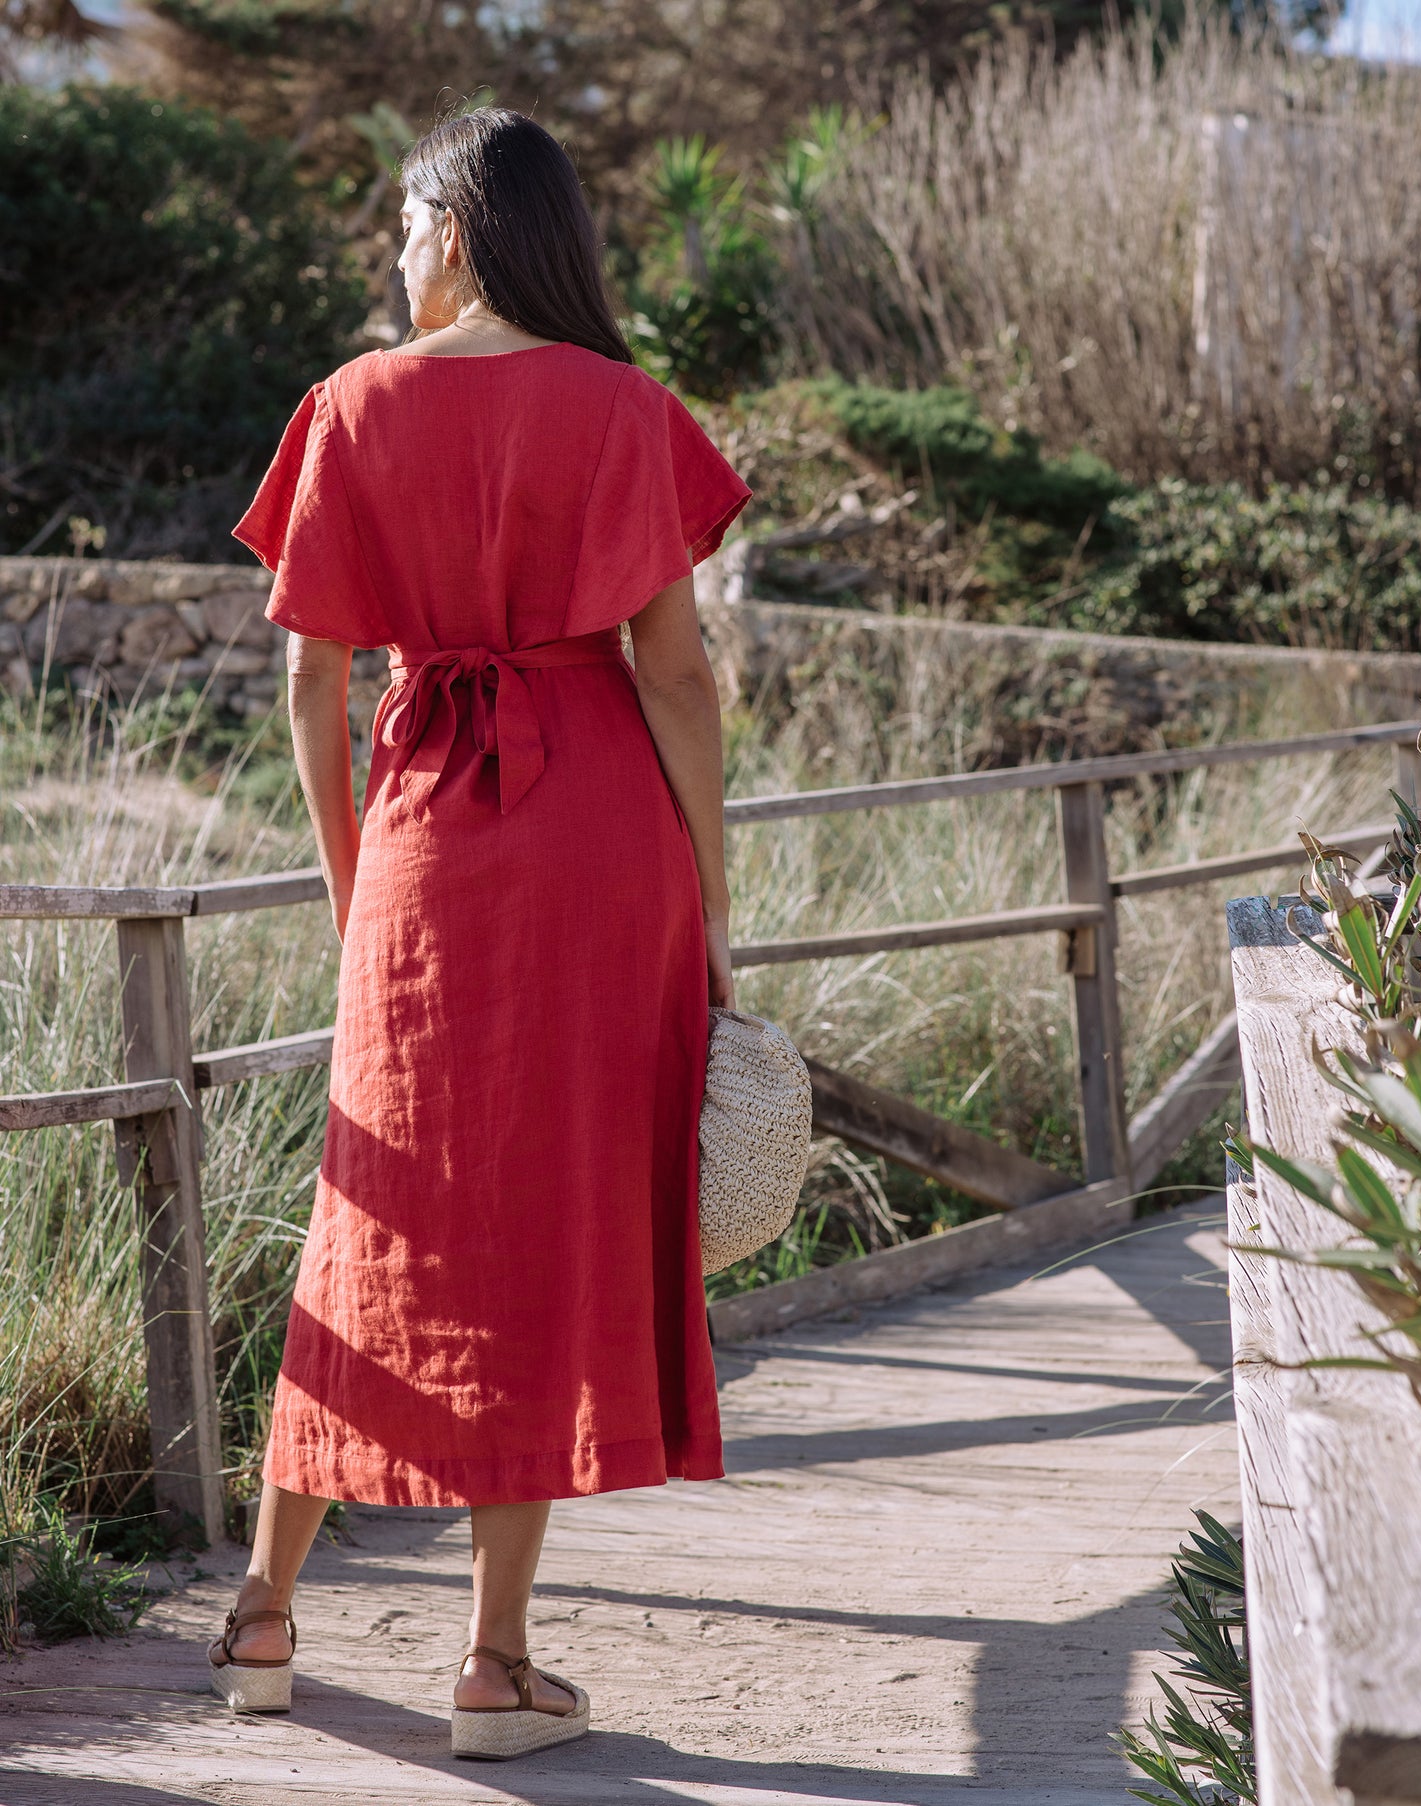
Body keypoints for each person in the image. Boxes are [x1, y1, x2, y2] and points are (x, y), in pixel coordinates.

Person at [207, 106, 750, 1762]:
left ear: (456, 223)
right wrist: (716, 909)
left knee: (371, 1221)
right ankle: (494, 1666)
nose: (393, 254)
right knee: (547, 1237)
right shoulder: (629, 413)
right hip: (601, 860)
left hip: (424, 856)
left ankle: (261, 1617)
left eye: (401, 223)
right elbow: (671, 675)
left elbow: (310, 675)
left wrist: (348, 880)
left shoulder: (351, 405)